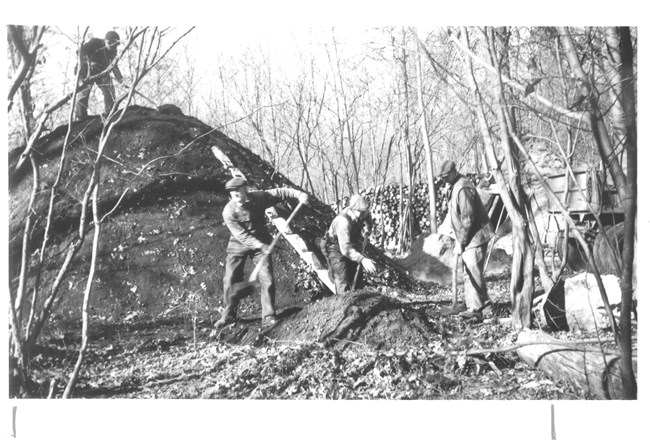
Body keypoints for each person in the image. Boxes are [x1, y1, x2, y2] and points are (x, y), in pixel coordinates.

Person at [216, 177, 309, 330]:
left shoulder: (258, 198)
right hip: (239, 244)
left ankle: (268, 316)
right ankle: (228, 316)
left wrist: (298, 194)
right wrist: (260, 245)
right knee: (230, 279)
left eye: (238, 190)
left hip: (261, 242)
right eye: (232, 192)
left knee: (267, 279)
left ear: (245, 189)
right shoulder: (228, 211)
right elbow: (242, 236)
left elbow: (280, 192)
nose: (235, 194)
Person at [438, 160, 495, 320]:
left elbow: (468, 218)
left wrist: (460, 242)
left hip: (476, 235)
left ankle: (475, 309)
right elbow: (455, 215)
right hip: (469, 235)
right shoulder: (454, 186)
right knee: (472, 271)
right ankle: (486, 306)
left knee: (471, 272)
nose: (443, 180)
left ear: (453, 172)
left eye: (445, 176)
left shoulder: (463, 187)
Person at [322, 194, 377, 293]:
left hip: (350, 245)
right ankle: (344, 304)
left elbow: (368, 220)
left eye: (364, 212)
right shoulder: (343, 222)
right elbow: (345, 249)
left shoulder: (363, 212)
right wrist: (362, 259)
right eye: (360, 213)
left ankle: (360, 302)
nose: (363, 215)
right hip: (336, 248)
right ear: (352, 209)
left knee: (357, 276)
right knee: (343, 279)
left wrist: (367, 229)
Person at [74, 31, 124, 120]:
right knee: (83, 93)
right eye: (110, 44)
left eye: (115, 45)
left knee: (109, 89)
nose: (112, 47)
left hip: (101, 71)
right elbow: (79, 52)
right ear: (105, 41)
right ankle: (81, 117)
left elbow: (114, 65)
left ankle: (110, 113)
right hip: (85, 70)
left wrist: (120, 79)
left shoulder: (113, 51)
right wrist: (89, 63)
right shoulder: (95, 42)